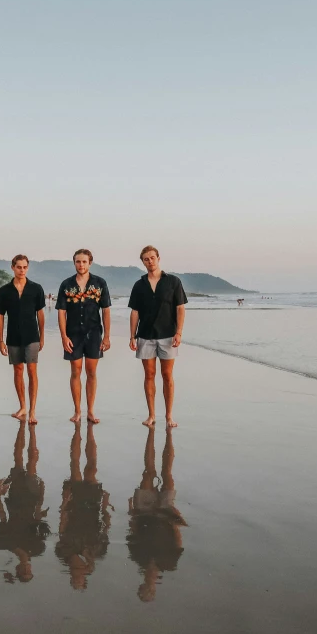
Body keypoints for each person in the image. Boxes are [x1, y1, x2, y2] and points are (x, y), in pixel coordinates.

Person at [129, 246, 187, 428]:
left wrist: (179, 332)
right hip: (145, 335)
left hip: (168, 335)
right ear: (143, 262)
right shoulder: (139, 285)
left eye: (152, 258)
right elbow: (135, 312)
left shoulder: (173, 282)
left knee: (167, 375)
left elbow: (180, 308)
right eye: (146, 259)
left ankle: (169, 416)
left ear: (158, 258)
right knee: (149, 375)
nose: (150, 261)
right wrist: (132, 336)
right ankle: (151, 415)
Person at [127, 427, 187, 602]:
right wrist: (175, 515)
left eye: (144, 588)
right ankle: (165, 438)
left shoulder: (138, 558)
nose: (147, 585)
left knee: (148, 474)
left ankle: (157, 436)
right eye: (148, 589)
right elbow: (177, 536)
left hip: (145, 513)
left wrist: (132, 511)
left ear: (142, 585)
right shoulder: (169, 563)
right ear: (152, 588)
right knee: (167, 475)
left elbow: (133, 531)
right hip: (165, 515)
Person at [56, 249, 111, 424]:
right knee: (75, 372)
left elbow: (106, 311)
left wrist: (107, 336)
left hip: (94, 333)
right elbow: (61, 312)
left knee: (92, 372)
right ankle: (77, 411)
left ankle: (91, 411)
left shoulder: (100, 283)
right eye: (78, 262)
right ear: (74, 263)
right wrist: (64, 336)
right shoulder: (66, 284)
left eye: (84, 262)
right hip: (73, 335)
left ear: (90, 263)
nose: (81, 265)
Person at [55, 422, 112, 590]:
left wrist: (64, 501)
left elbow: (62, 525)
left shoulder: (63, 553)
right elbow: (106, 526)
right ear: (86, 574)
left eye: (74, 579)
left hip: (74, 506)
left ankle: (79, 431)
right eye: (79, 578)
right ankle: (90, 433)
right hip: (92, 506)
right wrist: (105, 504)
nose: (76, 576)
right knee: (92, 467)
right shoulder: (97, 551)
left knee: (75, 467)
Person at [0, 421, 49, 583]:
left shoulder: (6, 543)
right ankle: (32, 433)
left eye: (23, 572)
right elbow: (38, 515)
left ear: (17, 569)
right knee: (32, 465)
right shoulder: (38, 548)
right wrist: (42, 492)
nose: (26, 569)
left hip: (15, 500)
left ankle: (24, 428)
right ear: (31, 569)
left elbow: (2, 515)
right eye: (28, 572)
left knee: (18, 461)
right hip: (31, 499)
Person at [0, 255, 45, 424]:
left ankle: (32, 411)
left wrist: (42, 336)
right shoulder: (4, 291)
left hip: (32, 336)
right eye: (19, 267)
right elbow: (0, 316)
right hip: (13, 336)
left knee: (32, 371)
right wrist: (0, 340)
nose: (22, 270)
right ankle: (22, 406)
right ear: (13, 267)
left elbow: (40, 314)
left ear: (27, 268)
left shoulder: (36, 289)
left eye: (24, 267)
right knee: (18, 370)